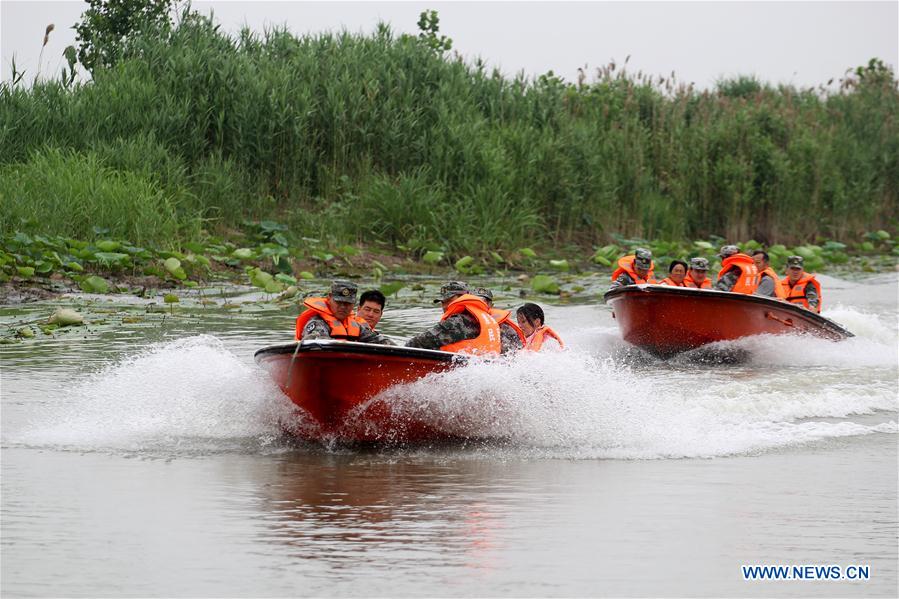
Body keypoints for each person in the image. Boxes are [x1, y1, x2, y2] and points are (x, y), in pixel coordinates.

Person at [405, 281, 501, 355]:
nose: (444, 306)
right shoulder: (487, 318)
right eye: (442, 302)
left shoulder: (458, 321)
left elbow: (420, 342)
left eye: (449, 300)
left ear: (463, 297)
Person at [295, 280, 393, 344]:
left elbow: (377, 340)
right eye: (339, 302)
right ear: (329, 298)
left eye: (347, 303)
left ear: (353, 304)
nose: (342, 307)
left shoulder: (356, 326)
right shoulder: (317, 323)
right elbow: (316, 342)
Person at [474, 287, 525, 353]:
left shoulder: (505, 327)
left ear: (491, 305)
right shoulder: (461, 321)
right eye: (477, 301)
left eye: (485, 302)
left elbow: (518, 351)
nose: (481, 305)